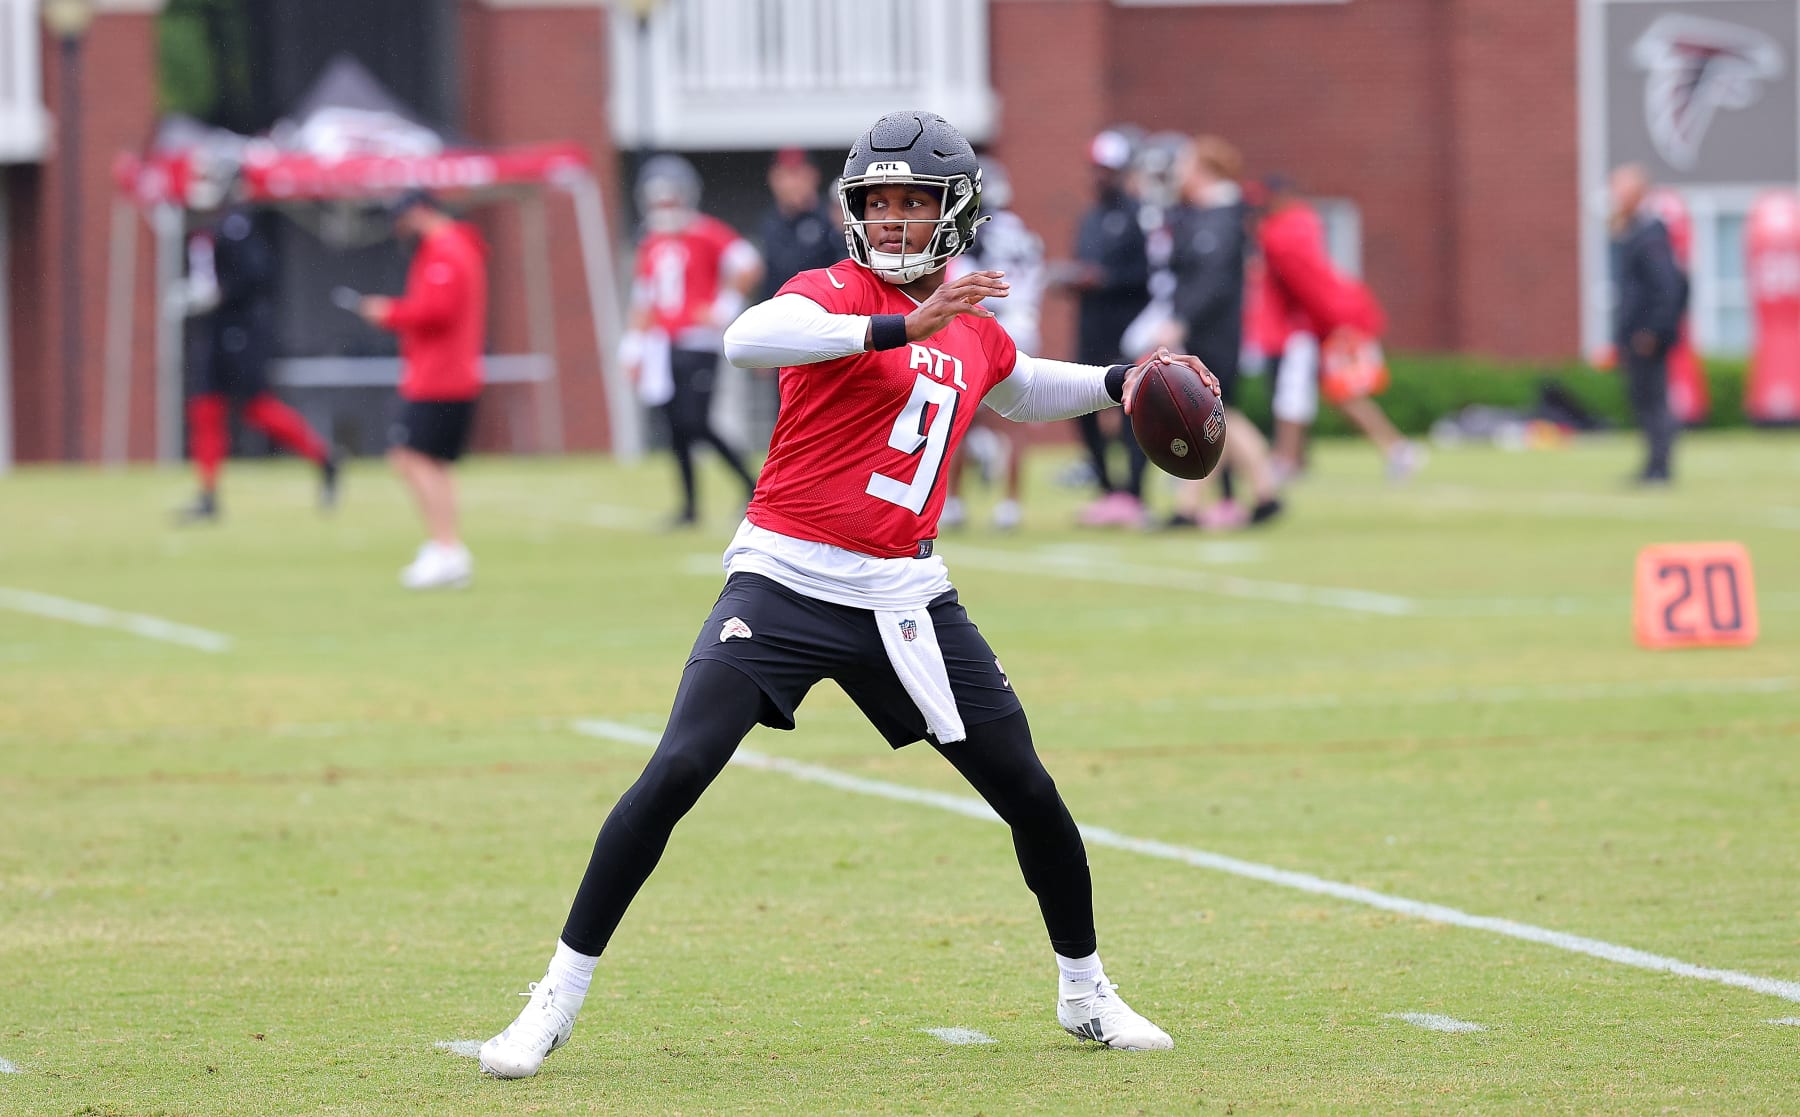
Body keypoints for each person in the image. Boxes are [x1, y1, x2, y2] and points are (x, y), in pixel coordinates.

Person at [477, 110, 1217, 1079]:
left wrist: (1119, 379)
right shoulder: (830, 293)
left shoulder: (971, 329)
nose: (898, 220)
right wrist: (899, 323)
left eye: (917, 203)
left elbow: (1017, 382)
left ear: (955, 213)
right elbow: (751, 336)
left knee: (1030, 793)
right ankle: (553, 1000)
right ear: (854, 211)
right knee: (677, 770)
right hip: (785, 577)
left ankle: (1086, 991)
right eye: (882, 202)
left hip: (907, 592)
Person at [621, 155, 762, 527]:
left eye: (669, 199)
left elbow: (748, 263)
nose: (663, 207)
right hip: (661, 345)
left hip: (697, 342)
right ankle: (689, 507)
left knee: (696, 422)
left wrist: (722, 308)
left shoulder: (705, 232)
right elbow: (644, 298)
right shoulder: (650, 242)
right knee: (676, 428)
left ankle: (754, 487)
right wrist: (632, 347)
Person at [174, 203, 339, 523]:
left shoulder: (237, 224)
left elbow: (257, 273)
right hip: (215, 329)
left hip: (240, 333)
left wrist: (223, 293)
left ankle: (323, 457)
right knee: (205, 408)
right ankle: (207, 495)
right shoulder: (206, 227)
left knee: (256, 408)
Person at [358, 190, 487, 589]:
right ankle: (445, 546)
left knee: (408, 457)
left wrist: (389, 313)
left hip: (441, 376)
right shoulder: (452, 246)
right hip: (443, 372)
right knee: (432, 462)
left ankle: (446, 546)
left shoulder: (447, 249)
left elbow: (437, 311)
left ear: (419, 212)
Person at [1256, 176, 1424, 481]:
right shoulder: (1298, 229)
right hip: (1320, 324)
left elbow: (1308, 287)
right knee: (1335, 395)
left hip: (1311, 328)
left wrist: (1336, 324)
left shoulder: (1284, 235)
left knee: (1300, 394)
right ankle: (1395, 448)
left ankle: (1285, 460)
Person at [1155, 136, 1281, 530]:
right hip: (1206, 329)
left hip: (1217, 331)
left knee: (1213, 410)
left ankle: (1194, 503)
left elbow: (1211, 282)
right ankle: (1261, 492)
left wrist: (1182, 320)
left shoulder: (1222, 217)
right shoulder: (1202, 215)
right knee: (1217, 412)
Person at [1048, 129, 1152, 527]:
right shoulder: (1090, 219)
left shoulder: (1138, 215)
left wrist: (1101, 278)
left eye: (1106, 169)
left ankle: (1135, 494)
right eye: (1095, 169)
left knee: (1134, 411)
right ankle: (1108, 491)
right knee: (1083, 407)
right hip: (1091, 330)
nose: (1099, 177)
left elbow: (1145, 275)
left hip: (1127, 329)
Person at [942, 158, 1045, 531]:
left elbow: (957, 278)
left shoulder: (975, 229)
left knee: (960, 409)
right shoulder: (1023, 232)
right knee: (1015, 420)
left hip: (987, 322)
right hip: (1023, 323)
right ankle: (1010, 504)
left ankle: (954, 501)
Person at [1606, 164, 1687, 485]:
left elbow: (1668, 285)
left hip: (1647, 336)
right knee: (1643, 401)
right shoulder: (1633, 229)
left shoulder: (1650, 234)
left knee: (1654, 402)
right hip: (1637, 334)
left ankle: (1660, 467)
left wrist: (1653, 330)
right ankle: (1652, 465)